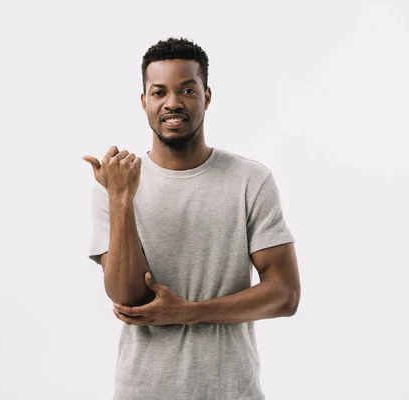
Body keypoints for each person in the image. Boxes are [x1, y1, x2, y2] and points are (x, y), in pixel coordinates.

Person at [82, 37, 301, 400]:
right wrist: (121, 199)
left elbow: (285, 294)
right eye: (159, 92)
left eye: (186, 90)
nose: (172, 103)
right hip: (143, 391)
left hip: (232, 391)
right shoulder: (114, 183)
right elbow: (128, 298)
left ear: (207, 96)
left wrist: (189, 312)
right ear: (144, 102)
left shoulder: (250, 180)